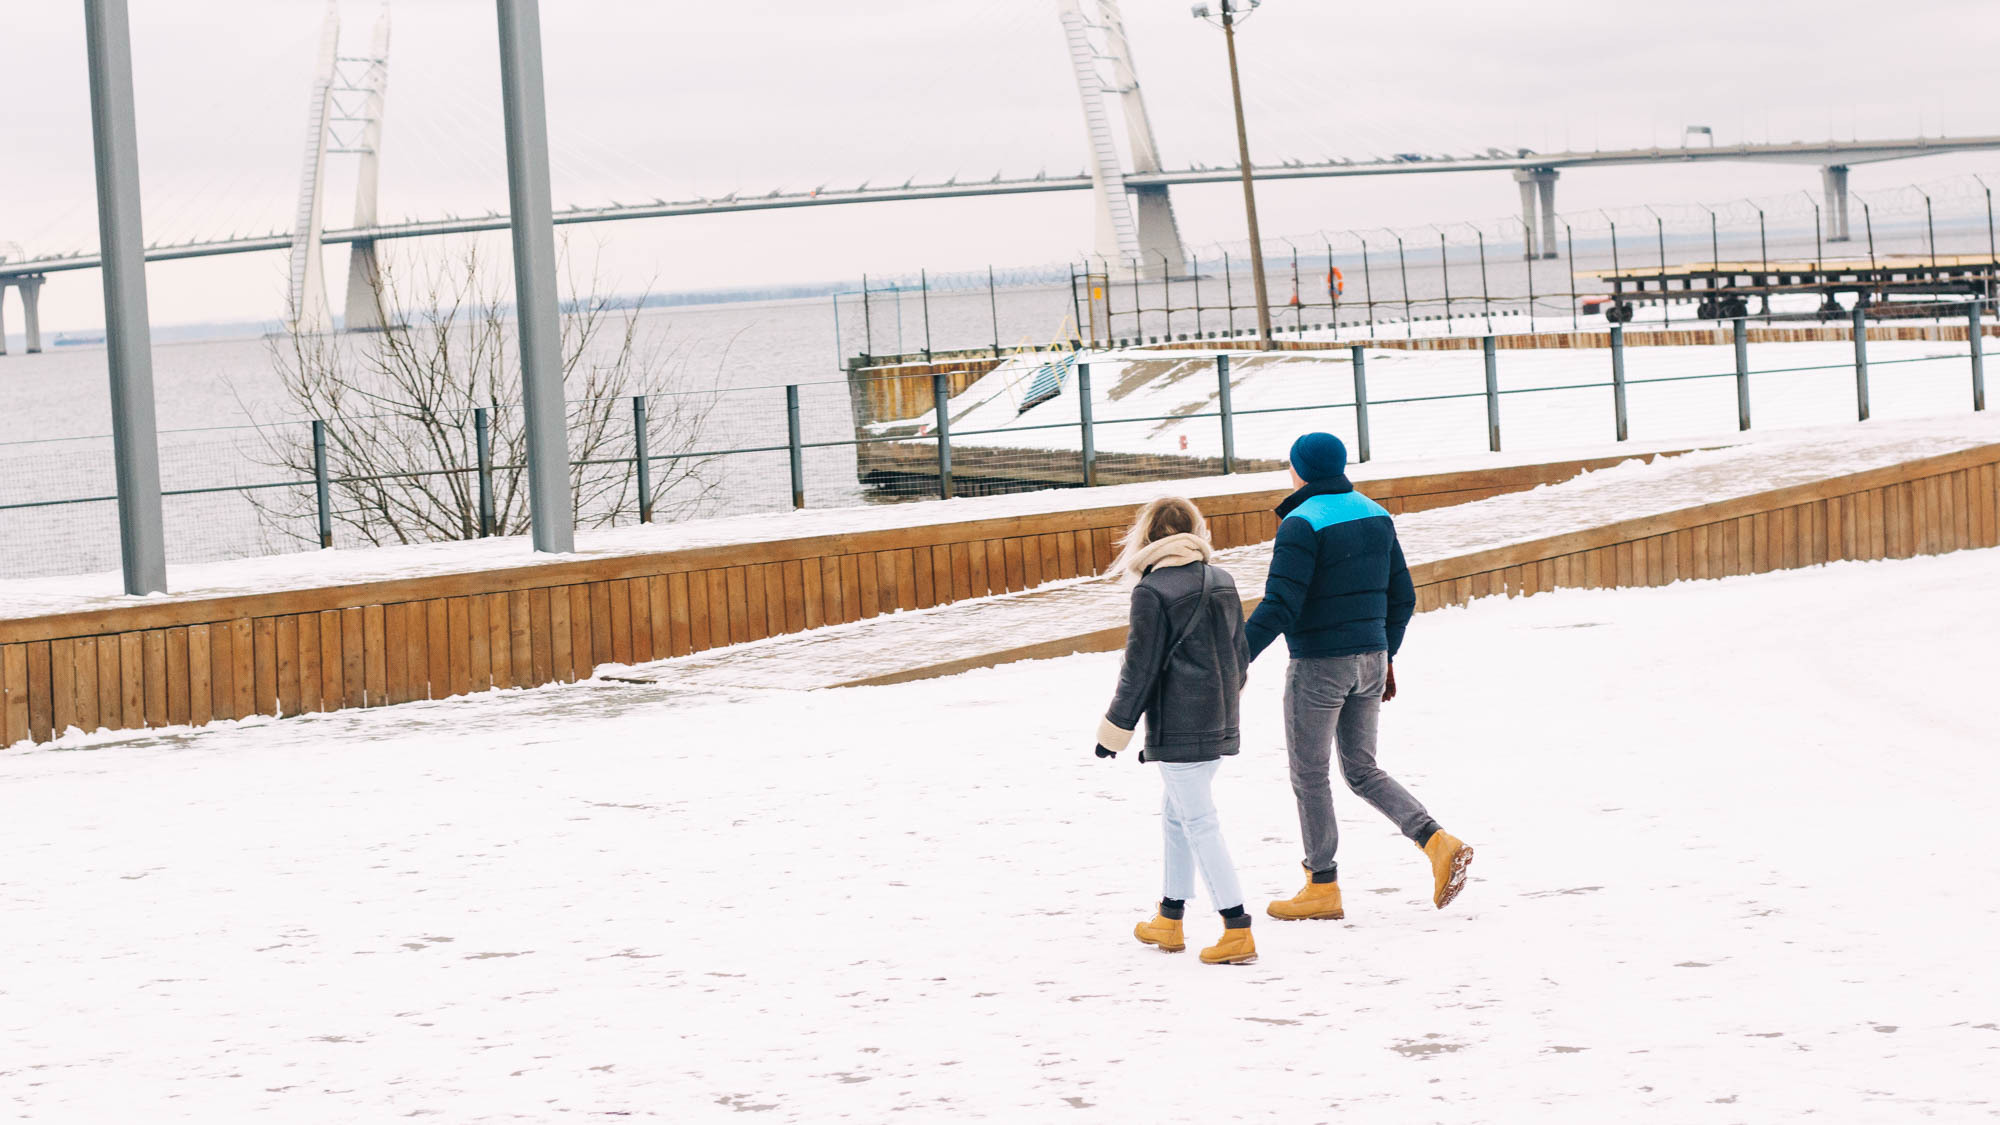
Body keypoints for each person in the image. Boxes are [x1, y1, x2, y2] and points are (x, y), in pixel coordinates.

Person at [1245, 432, 1473, 921]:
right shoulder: (1375, 514)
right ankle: (1435, 840)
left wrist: (1235, 655)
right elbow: (1404, 597)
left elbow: (1280, 604)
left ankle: (1320, 886)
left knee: (1310, 776)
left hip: (1320, 665)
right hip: (1371, 658)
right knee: (1363, 769)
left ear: (1300, 470)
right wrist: (1387, 654)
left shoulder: (1302, 524)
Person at [1094, 496, 1257, 965]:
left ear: (1147, 537)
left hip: (1181, 728)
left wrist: (1114, 732)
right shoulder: (1222, 580)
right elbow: (1239, 657)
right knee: (1177, 818)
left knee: (1200, 823)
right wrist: (1222, 703)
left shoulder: (1151, 591)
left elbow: (1138, 671)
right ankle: (1169, 917)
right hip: (1219, 721)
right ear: (1196, 532)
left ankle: (1237, 928)